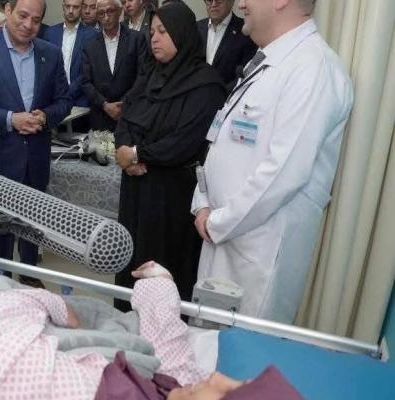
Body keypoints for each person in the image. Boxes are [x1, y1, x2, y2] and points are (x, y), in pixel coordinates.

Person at [192, 0, 354, 323]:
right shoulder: (268, 62)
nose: (240, 3)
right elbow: (223, 141)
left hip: (255, 255)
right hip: (221, 238)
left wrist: (216, 222)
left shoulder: (313, 69)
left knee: (239, 351)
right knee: (205, 342)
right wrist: (203, 203)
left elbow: (282, 175)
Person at [0, 261, 304, 399]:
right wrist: (160, 284)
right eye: (243, 382)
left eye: (230, 395)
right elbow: (173, 359)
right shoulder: (183, 389)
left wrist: (51, 303)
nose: (220, 376)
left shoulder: (79, 393)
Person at [113, 2, 226, 311]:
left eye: (163, 32)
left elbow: (184, 142)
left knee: (163, 265)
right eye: (152, 32)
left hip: (171, 196)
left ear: (182, 34)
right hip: (136, 190)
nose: (154, 39)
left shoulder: (206, 85)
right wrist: (123, 151)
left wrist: (136, 153)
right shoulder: (150, 74)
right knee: (131, 259)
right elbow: (126, 116)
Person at [0, 0, 72, 286]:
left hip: (35, 157)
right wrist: (11, 119)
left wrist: (46, 116)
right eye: (22, 15)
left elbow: (64, 101)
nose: (28, 25)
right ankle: (0, 281)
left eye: (36, 20)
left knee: (32, 224)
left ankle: (30, 275)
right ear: (7, 11)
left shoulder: (50, 54)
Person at [81, 0, 147, 132]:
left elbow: (143, 76)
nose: (106, 18)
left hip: (131, 115)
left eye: (110, 11)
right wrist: (105, 105)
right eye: (101, 13)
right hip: (100, 118)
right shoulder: (89, 45)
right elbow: (85, 82)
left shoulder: (136, 39)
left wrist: (124, 104)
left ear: (120, 11)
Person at [43, 0, 96, 109]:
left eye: (75, 7)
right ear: (63, 6)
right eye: (68, 6)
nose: (71, 11)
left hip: (80, 101)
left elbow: (89, 71)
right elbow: (44, 67)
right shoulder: (50, 33)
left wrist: (67, 93)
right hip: (52, 100)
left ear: (81, 8)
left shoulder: (92, 35)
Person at [197, 0, 256, 86]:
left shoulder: (246, 31)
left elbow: (245, 74)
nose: (213, 4)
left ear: (231, 2)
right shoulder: (196, 28)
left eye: (218, 0)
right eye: (209, 0)